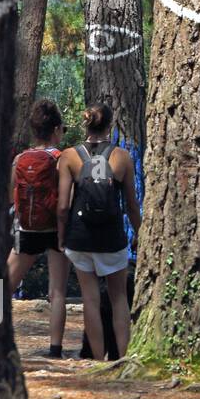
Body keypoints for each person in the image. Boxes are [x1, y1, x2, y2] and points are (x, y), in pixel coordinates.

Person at [57, 103, 140, 360]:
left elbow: (62, 206)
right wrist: (140, 233)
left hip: (80, 238)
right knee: (118, 300)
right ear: (110, 126)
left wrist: (62, 238)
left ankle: (95, 361)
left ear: (86, 125)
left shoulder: (69, 156)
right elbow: (131, 204)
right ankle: (122, 359)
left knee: (90, 300)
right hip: (111, 238)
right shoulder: (121, 157)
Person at [7, 99, 72, 358]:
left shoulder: (20, 159)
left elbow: (11, 195)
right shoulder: (61, 159)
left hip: (26, 230)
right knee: (57, 292)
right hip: (56, 230)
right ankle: (55, 350)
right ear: (56, 129)